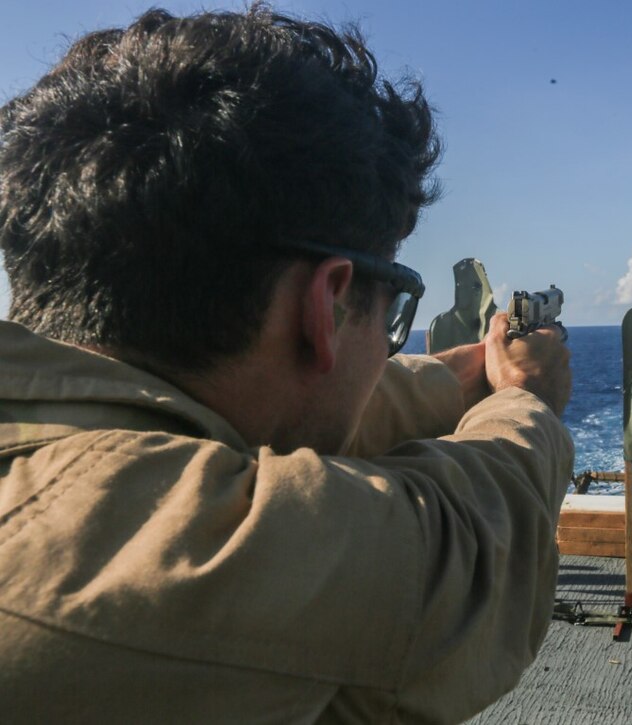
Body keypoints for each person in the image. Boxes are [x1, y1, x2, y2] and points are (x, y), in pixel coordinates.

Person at [0, 5, 572, 723]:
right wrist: (526, 394)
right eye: (393, 300)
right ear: (329, 301)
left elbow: (314, 398)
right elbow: (466, 555)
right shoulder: (181, 553)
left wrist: (475, 368)